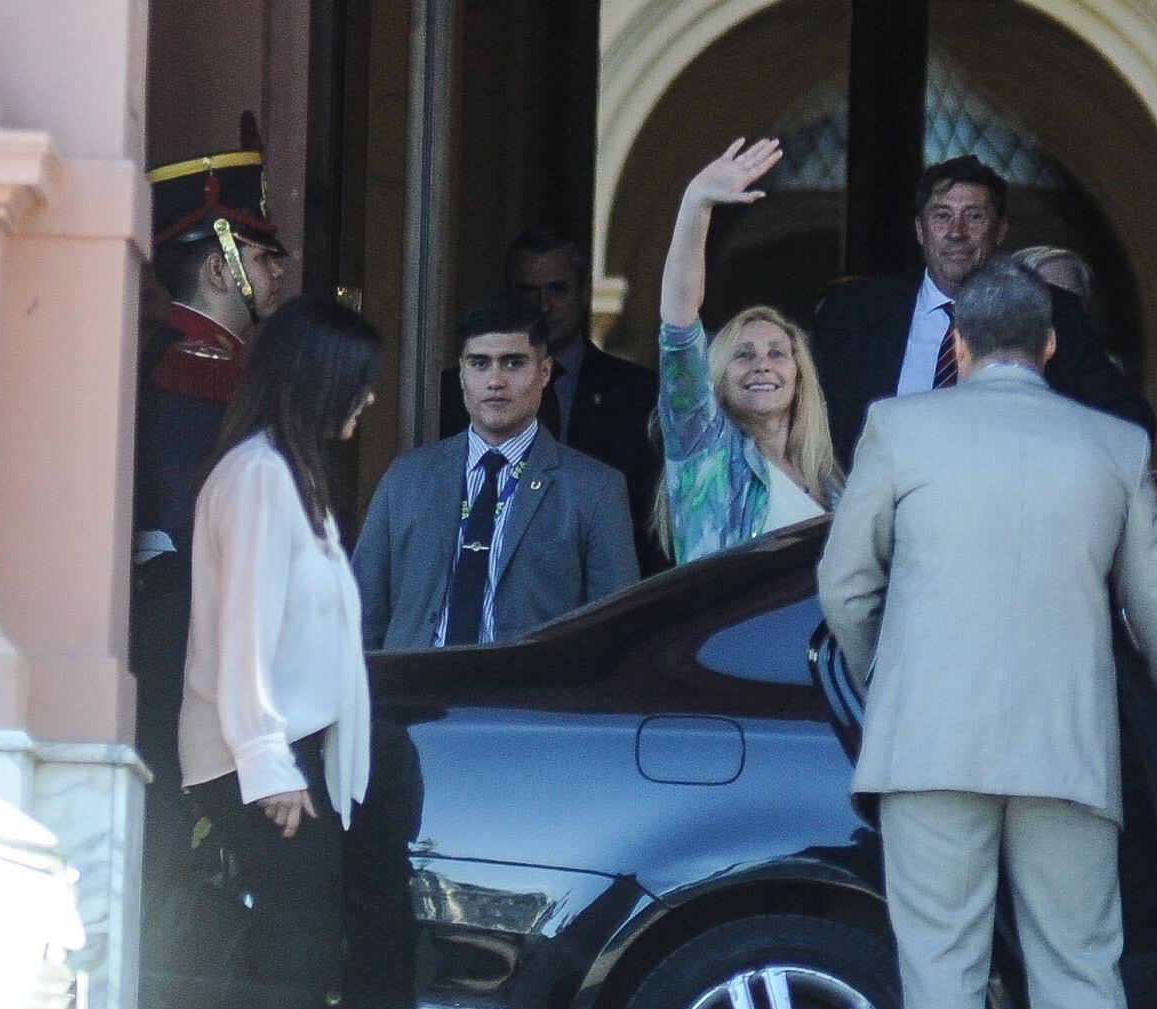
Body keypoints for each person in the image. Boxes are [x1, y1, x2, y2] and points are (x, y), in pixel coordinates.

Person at [817, 254, 1157, 1009]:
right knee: (1079, 973)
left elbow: (844, 584)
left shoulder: (898, 427)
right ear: (1049, 347)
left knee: (943, 971)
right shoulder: (1113, 445)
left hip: (928, 744)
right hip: (1065, 750)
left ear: (961, 348)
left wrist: (890, 679)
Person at [176, 298, 379, 1009]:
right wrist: (266, 761)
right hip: (254, 756)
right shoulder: (261, 474)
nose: (371, 396)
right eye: (360, 379)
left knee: (296, 949)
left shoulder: (289, 474)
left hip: (276, 751)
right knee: (299, 952)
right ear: (319, 379)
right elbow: (245, 632)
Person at [132, 125, 288, 881]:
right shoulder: (199, 371)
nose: (278, 272)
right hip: (188, 638)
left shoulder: (218, 367)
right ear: (221, 269)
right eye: (262, 257)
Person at [811, 154, 1154, 462]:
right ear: (920, 229)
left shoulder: (1050, 311)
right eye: (942, 216)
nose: (956, 233)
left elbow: (1130, 422)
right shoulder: (854, 312)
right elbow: (804, 422)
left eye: (974, 216)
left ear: (1000, 231)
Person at [354, 300, 638, 650]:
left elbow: (617, 634)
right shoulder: (407, 477)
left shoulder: (595, 488)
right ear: (461, 373)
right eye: (480, 363)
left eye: (514, 363)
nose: (495, 380)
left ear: (545, 372)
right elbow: (362, 616)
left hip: (523, 699)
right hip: (419, 693)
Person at [656, 139, 842, 564]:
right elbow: (680, 325)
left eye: (778, 353)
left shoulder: (830, 483)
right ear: (718, 376)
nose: (763, 364)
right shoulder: (705, 447)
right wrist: (696, 203)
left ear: (799, 376)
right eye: (743, 354)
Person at [442, 228, 665, 573]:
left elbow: (652, 522)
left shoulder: (637, 393)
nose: (542, 306)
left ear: (585, 292)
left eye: (557, 289)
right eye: (527, 291)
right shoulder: (457, 391)